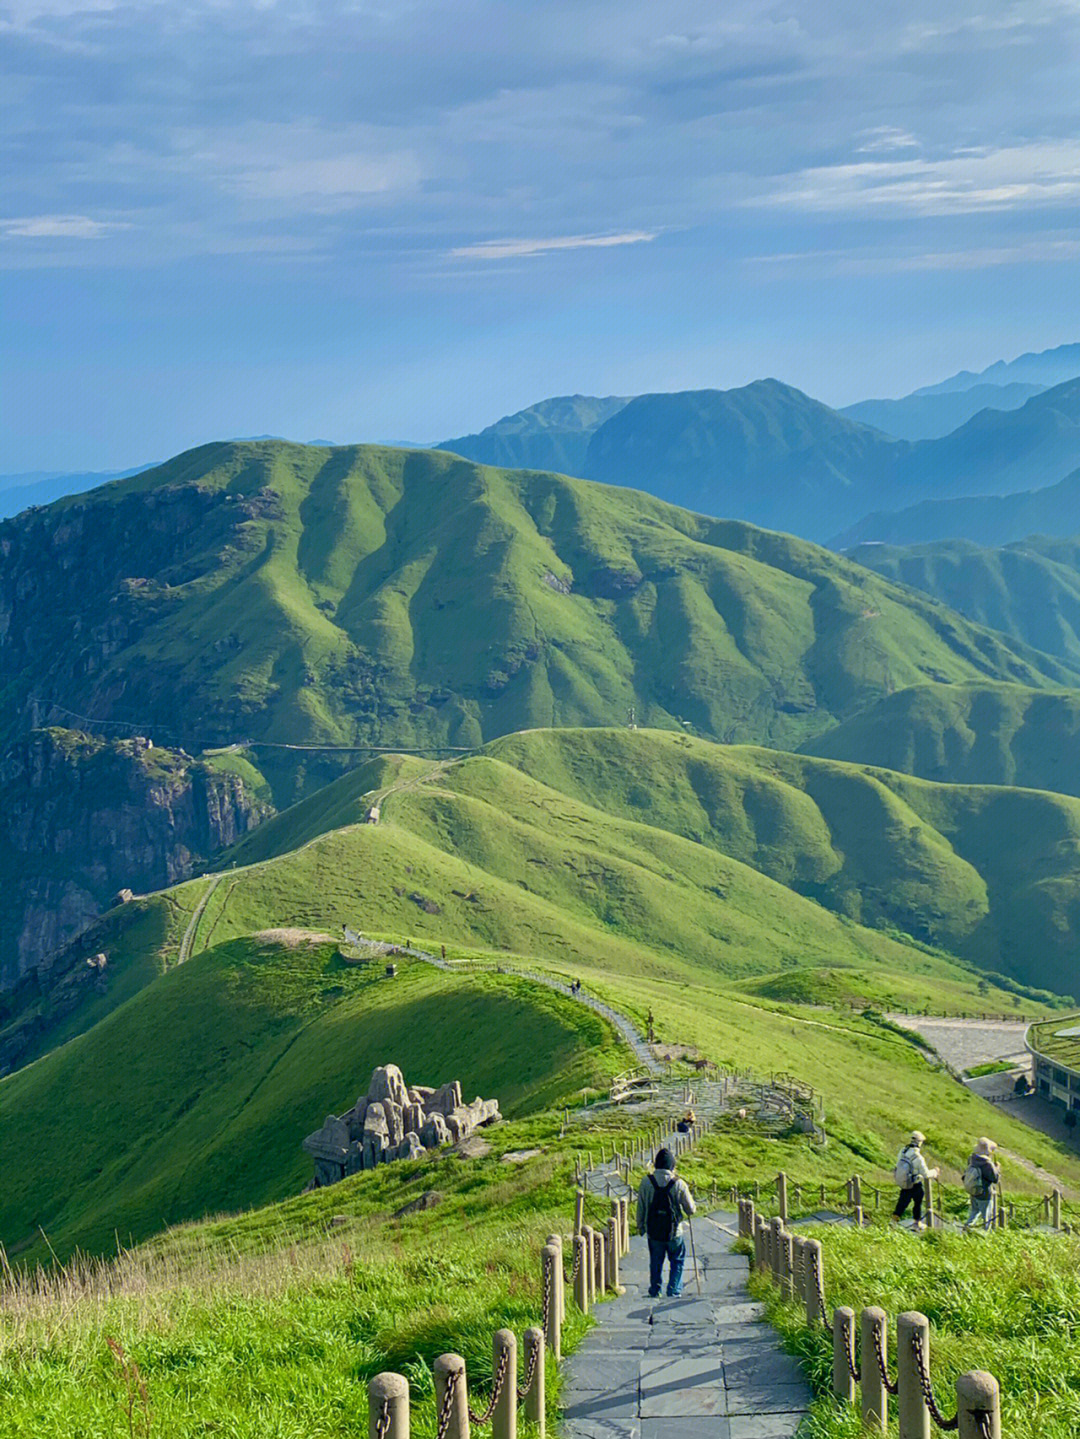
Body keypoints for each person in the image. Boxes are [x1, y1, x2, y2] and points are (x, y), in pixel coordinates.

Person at [637, 1146, 696, 1297]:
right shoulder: (679, 1183)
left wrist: (641, 1227)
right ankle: (673, 1291)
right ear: (672, 1165)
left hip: (653, 1231)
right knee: (677, 1261)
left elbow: (641, 1207)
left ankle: (655, 1291)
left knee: (656, 1262)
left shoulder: (646, 1181)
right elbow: (691, 1210)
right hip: (674, 1232)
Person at [891, 1130, 938, 1231]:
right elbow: (926, 1174)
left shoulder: (903, 1151)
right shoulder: (918, 1157)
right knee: (918, 1201)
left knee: (902, 1202)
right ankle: (917, 1223)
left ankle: (893, 1222)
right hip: (914, 1183)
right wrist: (935, 1172)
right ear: (919, 1143)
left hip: (904, 1181)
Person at [962, 1137, 1000, 1232]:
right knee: (987, 1216)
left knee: (974, 1211)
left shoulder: (972, 1158)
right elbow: (995, 1179)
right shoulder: (987, 1163)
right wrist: (997, 1168)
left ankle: (967, 1227)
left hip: (973, 1190)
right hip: (985, 1193)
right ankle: (985, 1234)